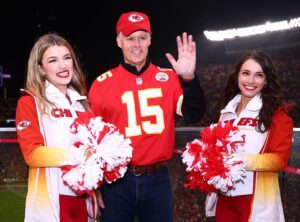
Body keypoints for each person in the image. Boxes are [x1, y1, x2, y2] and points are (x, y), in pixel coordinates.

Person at [89, 11, 205, 222]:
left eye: (142, 37)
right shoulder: (101, 84)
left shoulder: (168, 78)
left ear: (150, 39)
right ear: (119, 41)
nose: (137, 44)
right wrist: (94, 186)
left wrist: (188, 78)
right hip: (116, 181)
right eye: (130, 38)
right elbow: (91, 142)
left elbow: (194, 114)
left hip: (157, 178)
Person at [15, 33, 97, 222]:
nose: (63, 66)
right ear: (41, 69)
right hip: (51, 201)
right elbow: (32, 154)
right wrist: (80, 156)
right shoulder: (30, 102)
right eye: (53, 60)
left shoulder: (82, 104)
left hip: (84, 200)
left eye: (66, 58)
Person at [205, 51, 293, 222]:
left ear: (266, 80)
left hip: (254, 201)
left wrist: (239, 159)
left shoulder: (276, 114)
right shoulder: (226, 111)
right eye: (246, 73)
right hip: (223, 199)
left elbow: (280, 160)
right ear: (237, 75)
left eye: (258, 75)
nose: (250, 81)